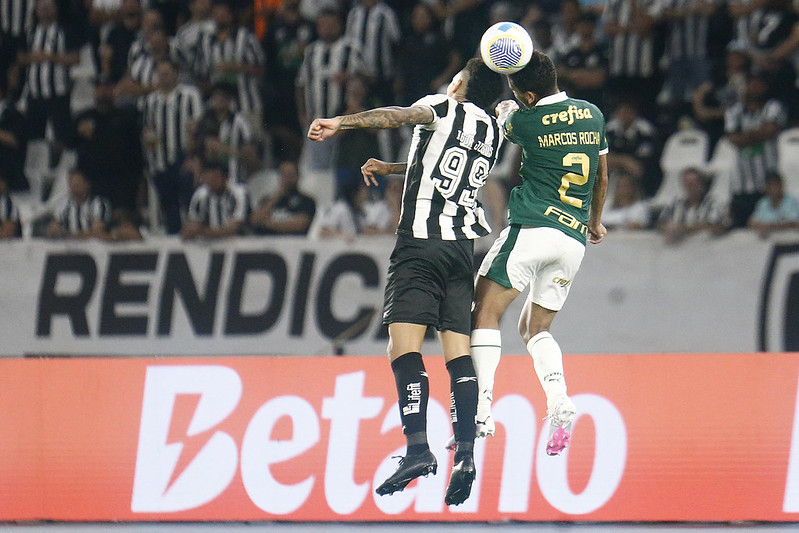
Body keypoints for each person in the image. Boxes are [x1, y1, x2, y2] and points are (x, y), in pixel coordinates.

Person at [307, 57, 504, 506]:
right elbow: (442, 168)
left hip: (419, 243)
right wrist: (393, 167)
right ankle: (467, 454)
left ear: (460, 83)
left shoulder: (442, 105)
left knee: (403, 347)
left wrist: (342, 121)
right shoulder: (490, 132)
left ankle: (417, 448)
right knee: (458, 353)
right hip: (460, 249)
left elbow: (401, 115)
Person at [467, 51, 608, 458]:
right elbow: (603, 174)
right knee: (534, 328)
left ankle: (481, 409)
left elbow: (507, 117)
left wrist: (508, 105)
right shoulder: (592, 114)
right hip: (572, 240)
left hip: (531, 228)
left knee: (484, 311)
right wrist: (595, 221)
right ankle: (559, 399)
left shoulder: (525, 121)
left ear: (528, 94)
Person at [181, 158, 248, 240]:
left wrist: (201, 232)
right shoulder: (200, 195)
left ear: (226, 177)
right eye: (207, 179)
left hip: (241, 244)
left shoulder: (238, 194)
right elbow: (193, 224)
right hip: (210, 246)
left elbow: (233, 229)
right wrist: (191, 230)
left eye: (214, 179)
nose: (210, 182)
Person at [657, 167, 726, 244]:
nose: (690, 187)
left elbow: (716, 226)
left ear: (702, 184)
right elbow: (660, 223)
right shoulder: (674, 204)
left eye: (693, 183)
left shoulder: (713, 204)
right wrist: (668, 228)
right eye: (687, 184)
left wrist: (684, 229)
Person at [250, 159, 315, 235]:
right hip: (266, 241)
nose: (288, 178)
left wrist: (267, 224)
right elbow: (255, 221)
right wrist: (274, 199)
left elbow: (300, 225)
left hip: (293, 242)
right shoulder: (268, 199)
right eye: (284, 175)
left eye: (291, 174)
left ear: (297, 176)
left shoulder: (307, 201)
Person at [46, 169, 112, 240]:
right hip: (68, 247)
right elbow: (54, 226)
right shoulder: (63, 204)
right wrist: (54, 230)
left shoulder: (99, 204)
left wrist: (67, 235)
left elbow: (97, 231)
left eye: (78, 183)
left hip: (93, 247)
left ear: (87, 184)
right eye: (72, 183)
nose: (75, 186)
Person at [747, 171, 799, 238]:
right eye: (770, 185)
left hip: (791, 240)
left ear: (781, 185)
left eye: (776, 185)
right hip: (768, 242)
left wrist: (772, 226)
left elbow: (795, 223)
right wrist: (763, 226)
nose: (773, 188)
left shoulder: (791, 201)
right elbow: (752, 223)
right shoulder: (763, 203)